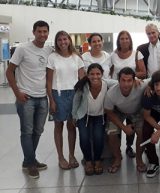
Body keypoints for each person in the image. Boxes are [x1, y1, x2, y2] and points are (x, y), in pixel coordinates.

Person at [6, 20, 53, 179]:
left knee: (38, 131)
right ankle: (31, 163)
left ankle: (29, 160)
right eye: (39, 31)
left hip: (42, 98)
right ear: (34, 32)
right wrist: (17, 93)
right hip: (26, 98)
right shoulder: (22, 49)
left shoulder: (48, 50)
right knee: (27, 131)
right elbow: (9, 72)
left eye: (45, 31)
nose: (42, 34)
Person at [46, 30, 85, 170]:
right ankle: (60, 157)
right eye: (60, 40)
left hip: (74, 94)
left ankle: (71, 155)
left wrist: (80, 99)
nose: (63, 42)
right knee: (58, 126)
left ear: (69, 40)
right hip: (58, 94)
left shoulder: (76, 57)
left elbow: (82, 80)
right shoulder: (52, 58)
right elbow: (49, 81)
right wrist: (51, 100)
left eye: (65, 39)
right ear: (56, 42)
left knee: (71, 125)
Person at [108, 30, 146, 158]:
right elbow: (108, 71)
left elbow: (143, 72)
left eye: (126, 38)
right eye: (122, 38)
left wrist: (131, 78)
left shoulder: (137, 54)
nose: (124, 40)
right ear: (118, 41)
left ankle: (131, 148)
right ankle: (116, 154)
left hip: (132, 90)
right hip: (118, 90)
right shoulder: (113, 55)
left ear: (130, 40)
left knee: (134, 125)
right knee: (114, 128)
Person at [104, 67, 149, 173]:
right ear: (118, 80)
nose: (126, 84)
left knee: (142, 132)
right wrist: (123, 128)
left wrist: (150, 86)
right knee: (111, 132)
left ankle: (139, 159)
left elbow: (157, 77)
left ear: (134, 80)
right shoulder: (111, 93)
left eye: (129, 80)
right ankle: (117, 158)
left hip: (137, 111)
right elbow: (109, 112)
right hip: (118, 111)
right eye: (123, 80)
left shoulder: (141, 85)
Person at [137, 23, 160, 152]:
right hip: (150, 86)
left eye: (153, 33)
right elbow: (142, 70)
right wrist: (148, 85)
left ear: (158, 33)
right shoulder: (142, 48)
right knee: (148, 114)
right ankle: (148, 146)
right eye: (148, 33)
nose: (151, 35)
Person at [72, 63, 107, 175]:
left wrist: (136, 79)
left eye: (98, 74)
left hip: (99, 116)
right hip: (84, 115)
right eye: (92, 74)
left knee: (99, 137)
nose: (95, 76)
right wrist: (74, 116)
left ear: (102, 74)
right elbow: (76, 100)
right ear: (87, 75)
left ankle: (97, 160)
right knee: (84, 137)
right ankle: (88, 161)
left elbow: (120, 82)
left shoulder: (107, 84)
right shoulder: (83, 85)